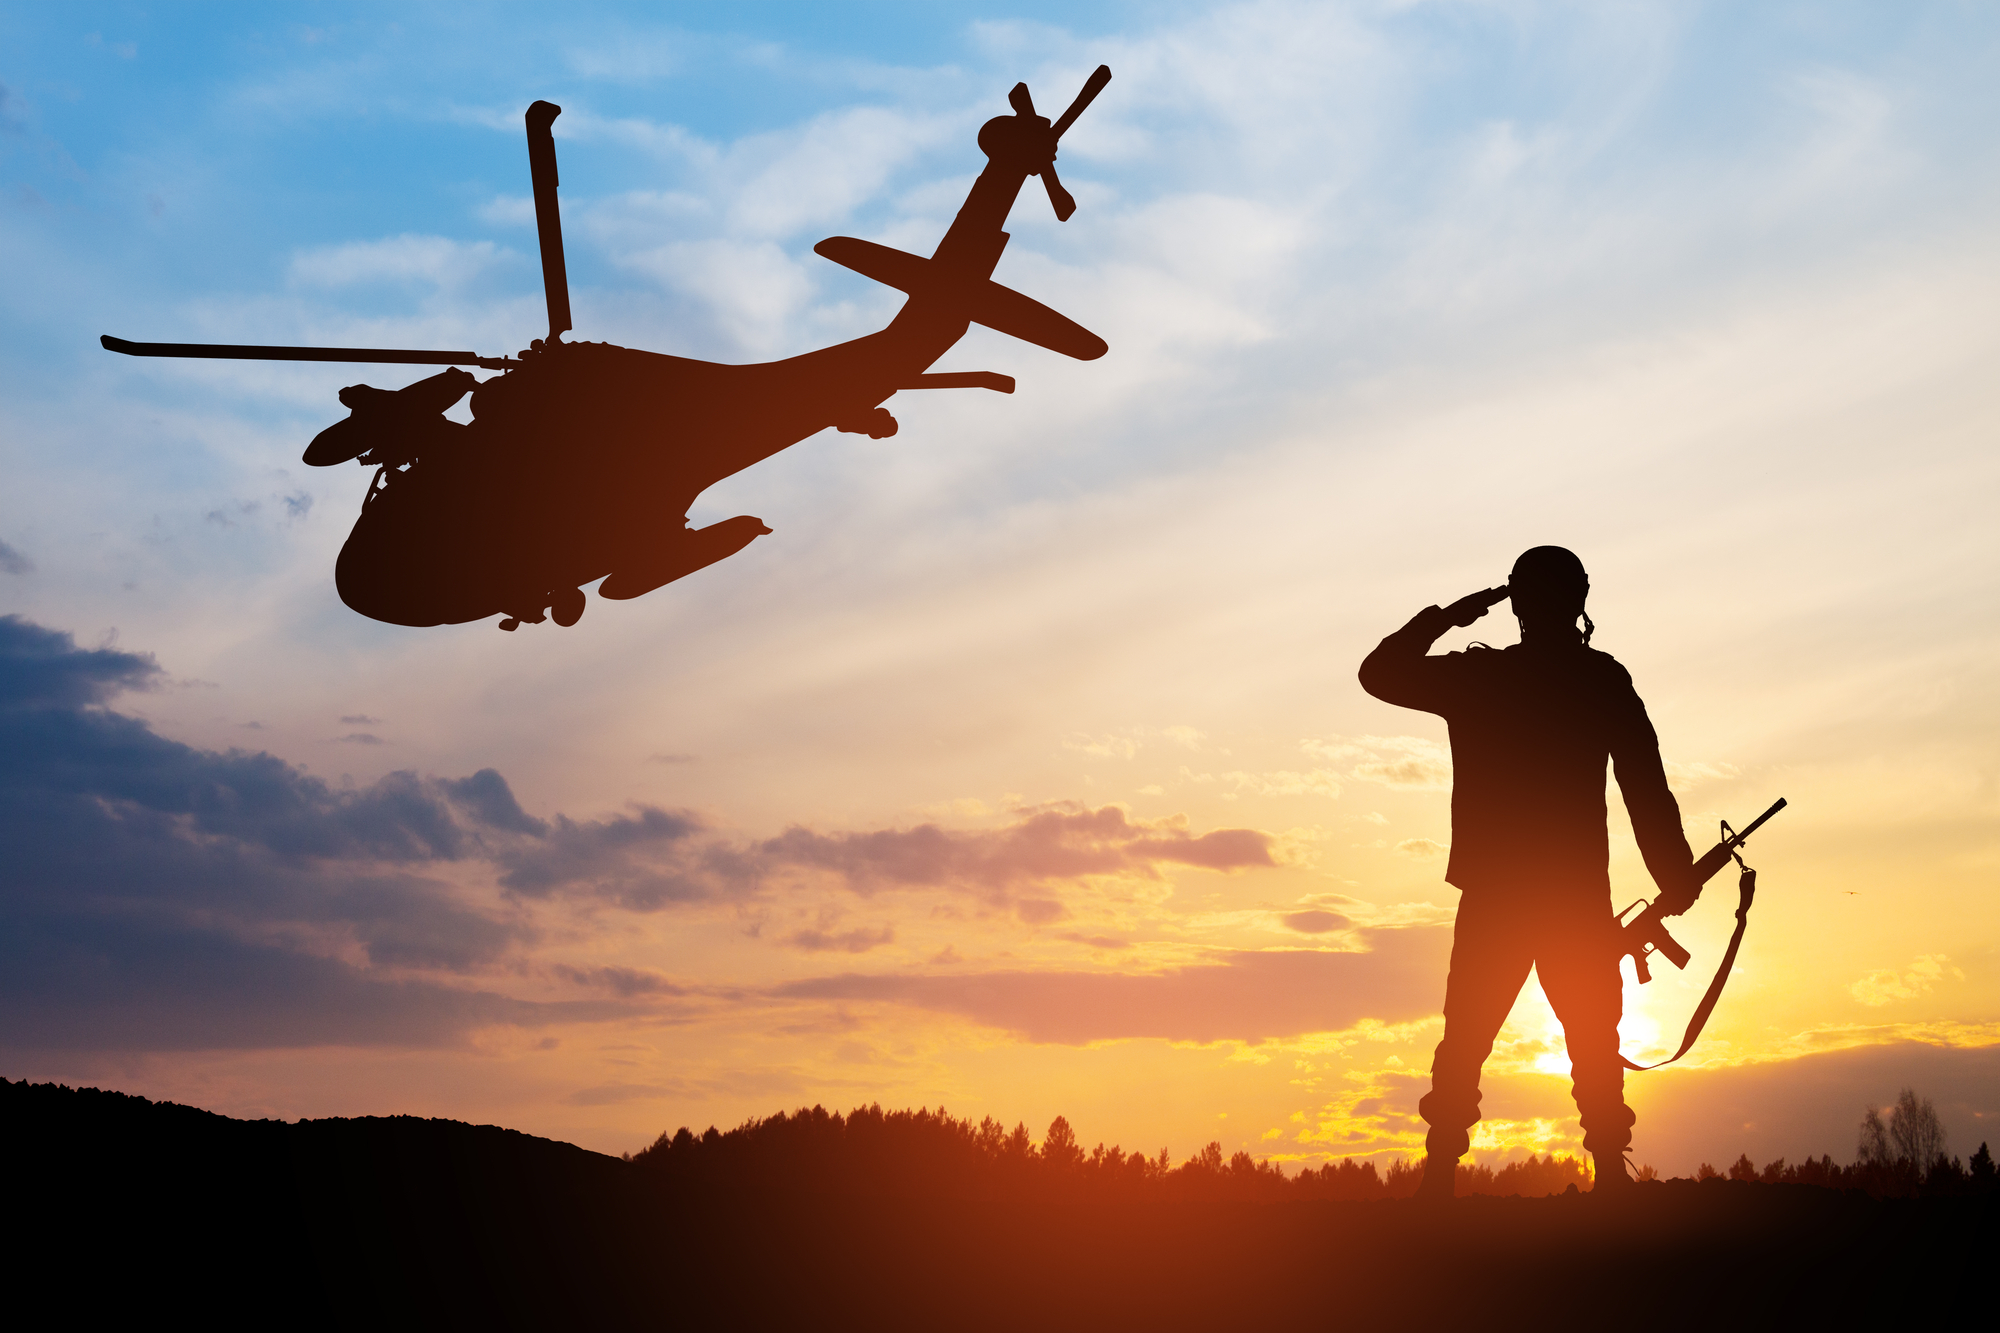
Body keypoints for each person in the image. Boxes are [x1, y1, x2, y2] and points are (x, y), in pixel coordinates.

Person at [1358, 546, 1698, 1198]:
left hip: (1501, 896)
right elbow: (1644, 786)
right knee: (1590, 1046)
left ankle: (1438, 1183)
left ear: (1516, 601)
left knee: (1471, 1046)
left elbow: (1380, 672)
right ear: (1580, 600)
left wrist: (1448, 617)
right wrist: (1674, 872)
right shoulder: (1600, 679)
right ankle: (1607, 1180)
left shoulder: (1481, 679)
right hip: (1569, 897)